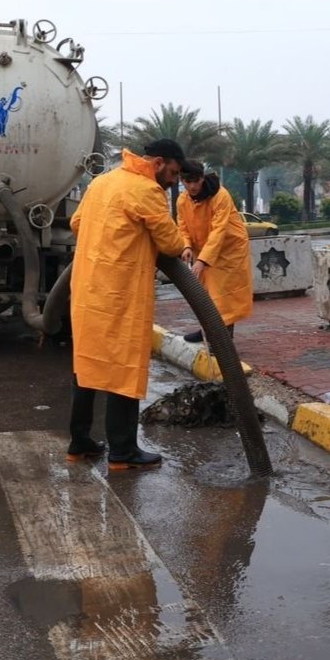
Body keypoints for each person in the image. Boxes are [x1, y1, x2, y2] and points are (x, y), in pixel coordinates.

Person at [68, 138, 188, 470]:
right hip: (120, 294)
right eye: (174, 173)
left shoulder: (101, 182)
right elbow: (171, 242)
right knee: (123, 367)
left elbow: (76, 223)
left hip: (88, 290)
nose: (175, 181)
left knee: (87, 366)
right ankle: (123, 452)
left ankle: (79, 443)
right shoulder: (146, 191)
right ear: (159, 162)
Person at [175, 160, 253, 343]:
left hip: (229, 251)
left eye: (196, 181)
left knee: (223, 297)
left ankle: (223, 340)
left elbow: (219, 231)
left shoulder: (220, 195)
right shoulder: (182, 200)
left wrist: (202, 260)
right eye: (187, 181)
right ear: (182, 180)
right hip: (205, 251)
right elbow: (182, 227)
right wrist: (186, 246)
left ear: (202, 178)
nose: (192, 186)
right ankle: (207, 331)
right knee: (205, 294)